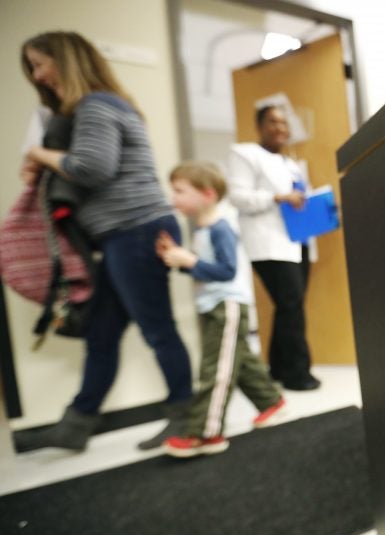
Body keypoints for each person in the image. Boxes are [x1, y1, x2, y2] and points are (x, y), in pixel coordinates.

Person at [15, 31, 192, 452]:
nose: (38, 76)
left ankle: (187, 419)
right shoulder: (95, 108)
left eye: (41, 64)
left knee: (158, 330)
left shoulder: (96, 105)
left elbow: (92, 168)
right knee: (101, 332)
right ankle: (76, 426)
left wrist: (38, 155)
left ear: (67, 61)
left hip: (137, 229)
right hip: (119, 235)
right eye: (33, 68)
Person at [156, 161, 286, 458]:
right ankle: (271, 402)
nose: (174, 198)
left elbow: (227, 271)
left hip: (225, 306)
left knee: (216, 370)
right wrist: (181, 260)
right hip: (214, 305)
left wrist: (189, 261)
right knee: (237, 361)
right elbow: (206, 270)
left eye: (180, 191)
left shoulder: (220, 228)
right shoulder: (203, 229)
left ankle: (206, 433)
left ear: (207, 194)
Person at [227, 105, 320, 391]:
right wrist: (278, 197)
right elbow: (238, 197)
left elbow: (301, 198)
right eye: (272, 122)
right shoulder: (245, 154)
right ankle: (297, 374)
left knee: (289, 306)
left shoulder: (291, 163)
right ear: (259, 126)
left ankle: (278, 368)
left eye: (283, 123)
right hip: (268, 244)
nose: (279, 127)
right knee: (291, 305)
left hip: (297, 241)